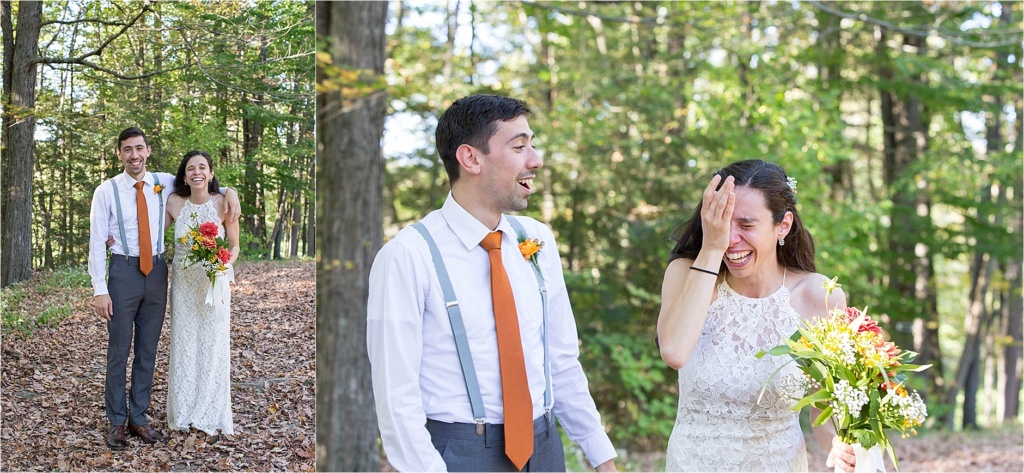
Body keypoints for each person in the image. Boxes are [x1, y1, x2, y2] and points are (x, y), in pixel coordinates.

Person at [367, 94, 618, 472]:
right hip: (457, 456)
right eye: (519, 146)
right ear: (471, 159)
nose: (536, 159)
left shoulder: (538, 240)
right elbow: (396, 399)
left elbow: (562, 361)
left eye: (532, 144)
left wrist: (601, 455)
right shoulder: (408, 256)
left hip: (547, 450)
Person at [655, 159, 858, 472]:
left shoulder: (818, 297)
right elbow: (674, 351)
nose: (730, 239)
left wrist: (838, 447)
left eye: (746, 225)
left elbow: (824, 409)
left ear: (783, 225)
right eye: (722, 222)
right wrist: (710, 247)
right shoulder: (685, 274)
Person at [89, 127, 240, 450]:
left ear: (148, 150)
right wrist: (99, 288)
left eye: (139, 148)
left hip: (157, 272)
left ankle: (138, 418)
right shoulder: (106, 190)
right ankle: (117, 421)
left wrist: (231, 192)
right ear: (119, 154)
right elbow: (95, 240)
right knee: (119, 351)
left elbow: (203, 182)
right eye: (127, 149)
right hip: (123, 271)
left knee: (147, 350)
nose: (134, 155)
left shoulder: (163, 182)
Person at [164, 150, 240, 441]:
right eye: (190, 168)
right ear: (184, 175)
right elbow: (153, 234)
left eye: (202, 167)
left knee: (212, 345)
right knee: (185, 345)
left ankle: (209, 412)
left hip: (213, 283)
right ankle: (182, 412)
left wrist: (222, 265)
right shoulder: (173, 203)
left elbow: (234, 246)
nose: (196, 172)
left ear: (210, 174)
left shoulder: (223, 203)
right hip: (183, 286)